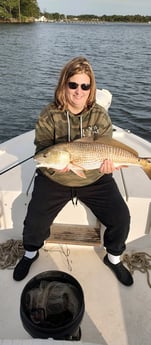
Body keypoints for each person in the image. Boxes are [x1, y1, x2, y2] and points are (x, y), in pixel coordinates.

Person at [13, 56, 133, 286]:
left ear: (91, 88)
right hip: (55, 176)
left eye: (85, 86)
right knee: (35, 220)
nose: (79, 91)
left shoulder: (99, 114)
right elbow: (42, 150)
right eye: (73, 85)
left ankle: (114, 257)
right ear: (64, 85)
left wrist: (108, 165)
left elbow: (107, 147)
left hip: (94, 176)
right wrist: (56, 164)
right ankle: (30, 253)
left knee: (121, 217)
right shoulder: (49, 114)